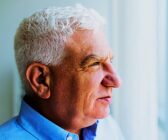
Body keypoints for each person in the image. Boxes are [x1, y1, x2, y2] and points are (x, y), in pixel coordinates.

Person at [0, 4, 124, 140]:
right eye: (94, 64)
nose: (116, 81)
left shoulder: (108, 128)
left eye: (110, 61)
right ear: (41, 80)